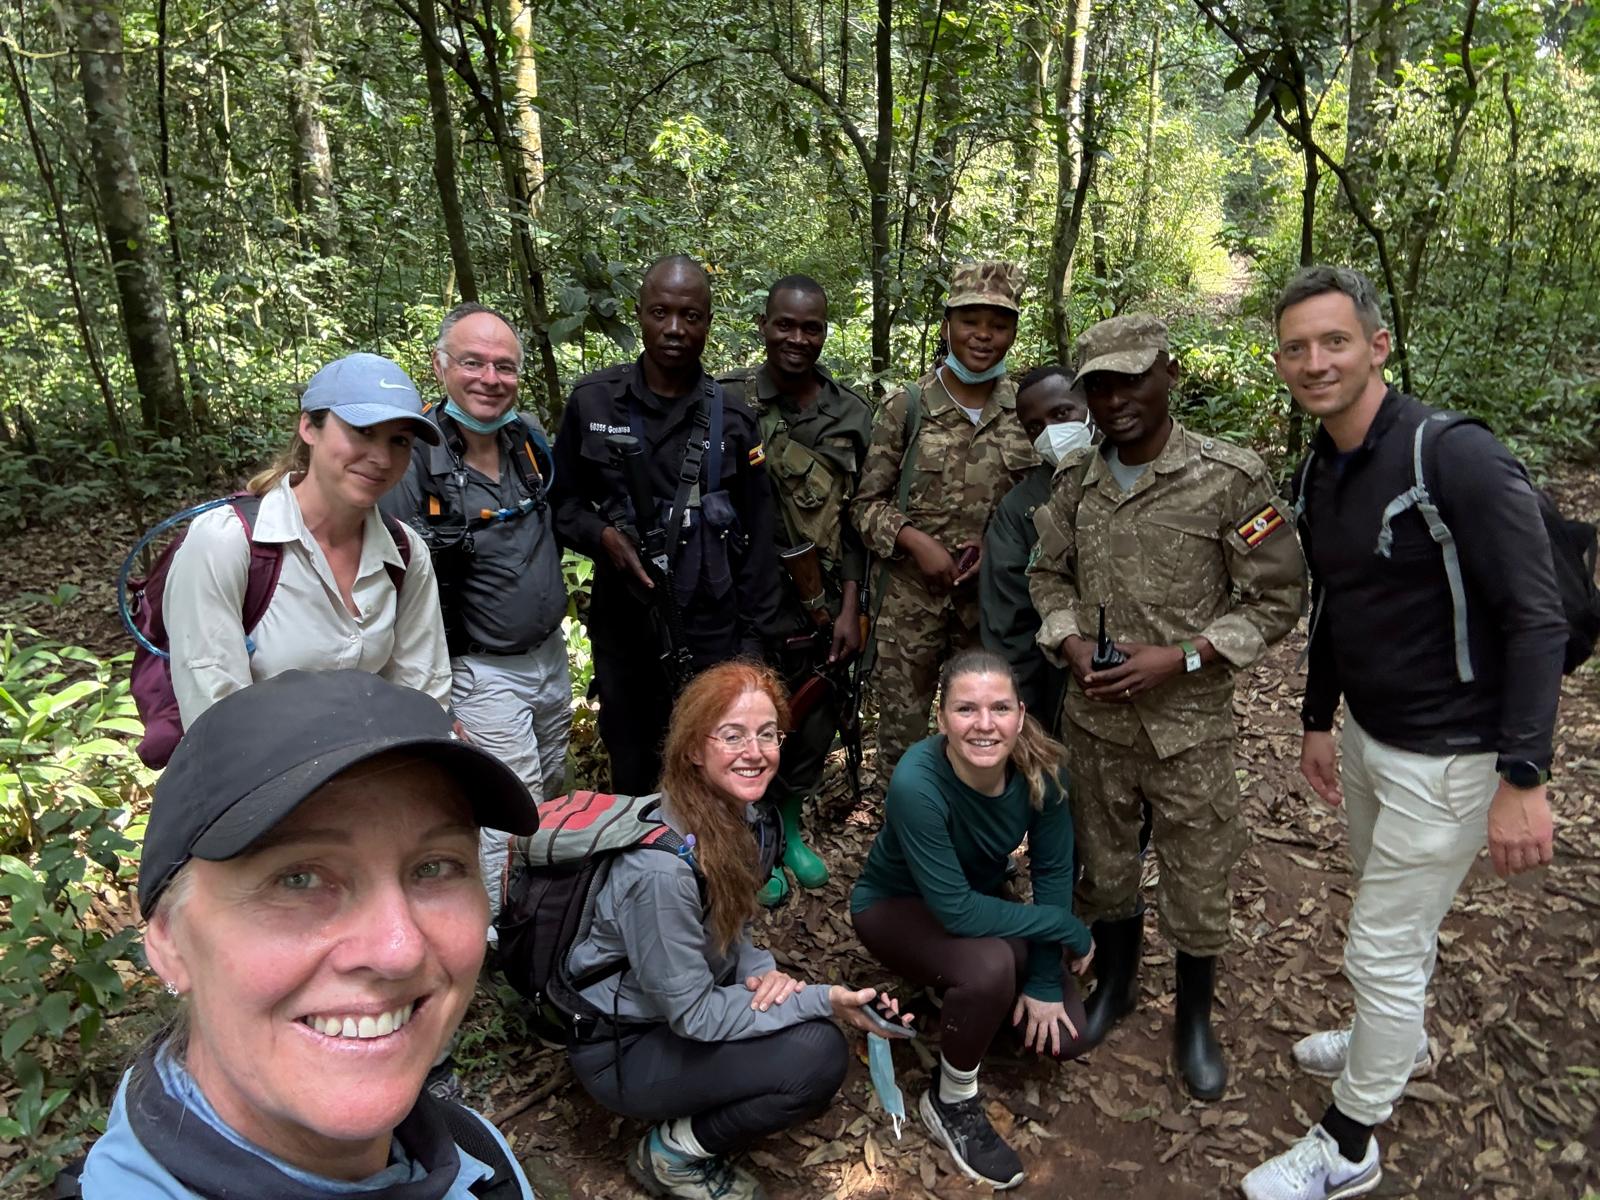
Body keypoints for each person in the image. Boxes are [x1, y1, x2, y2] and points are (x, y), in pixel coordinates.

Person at [1239, 267, 1564, 1200]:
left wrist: (1525, 776)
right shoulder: (1322, 462)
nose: (1315, 362)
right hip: (1374, 737)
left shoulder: (1451, 456)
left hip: (1454, 755)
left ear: (1376, 344)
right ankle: (1402, 1037)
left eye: (1334, 341)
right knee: (1388, 915)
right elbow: (1340, 599)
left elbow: (1536, 619)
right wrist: (1314, 717)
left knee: (1377, 947)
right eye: (1296, 348)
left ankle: (1349, 1141)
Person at [79, 669, 540, 1198]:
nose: (399, 950)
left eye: (435, 868)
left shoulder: (474, 1153)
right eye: (297, 879)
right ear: (167, 938)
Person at [1027, 314, 1305, 1100]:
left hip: (1190, 727)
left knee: (1197, 873)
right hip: (1096, 721)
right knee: (1107, 866)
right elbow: (1047, 577)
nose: (1116, 400)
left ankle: (1194, 1018)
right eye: (1099, 386)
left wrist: (1181, 656)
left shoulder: (1229, 477)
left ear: (1170, 374)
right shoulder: (1075, 481)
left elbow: (1278, 597)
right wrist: (1073, 643)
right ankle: (1115, 986)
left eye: (1132, 378)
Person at [563, 661, 903, 1200]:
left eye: (768, 734)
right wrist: (820, 999)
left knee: (809, 1039)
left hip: (669, 1010)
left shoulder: (728, 815)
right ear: (695, 749)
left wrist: (762, 974)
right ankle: (670, 1155)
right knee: (816, 1057)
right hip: (622, 1046)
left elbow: (728, 932)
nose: (756, 751)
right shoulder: (660, 871)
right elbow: (694, 1014)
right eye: (733, 735)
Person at [851, 648, 1094, 1192]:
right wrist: (1067, 931)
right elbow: (955, 909)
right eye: (965, 710)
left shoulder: (1043, 769)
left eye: (999, 709)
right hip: (897, 908)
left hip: (975, 903)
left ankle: (953, 996)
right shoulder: (918, 782)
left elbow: (1053, 871)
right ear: (941, 719)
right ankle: (951, 1099)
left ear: (1020, 714)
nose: (984, 725)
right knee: (988, 967)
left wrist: (1042, 979)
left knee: (1065, 1036)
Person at [550, 255, 782, 793]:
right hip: (625, 630)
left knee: (711, 772)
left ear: (707, 321)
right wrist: (603, 537)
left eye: (690, 316)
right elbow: (562, 506)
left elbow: (759, 544)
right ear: (640, 314)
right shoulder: (593, 402)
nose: (675, 329)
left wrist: (751, 652)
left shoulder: (734, 419)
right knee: (633, 764)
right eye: (661, 312)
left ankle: (708, 872)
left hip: (708, 630)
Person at [382, 303, 571, 920]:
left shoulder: (529, 442)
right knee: (510, 803)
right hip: (480, 667)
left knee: (551, 776)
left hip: (549, 656)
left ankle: (542, 908)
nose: (490, 378)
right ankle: (499, 934)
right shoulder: (416, 461)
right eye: (472, 362)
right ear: (441, 367)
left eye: (504, 366)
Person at [165, 353, 452, 727]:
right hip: (257, 775)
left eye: (399, 440)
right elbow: (214, 714)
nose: (381, 458)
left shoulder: (404, 552)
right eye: (363, 431)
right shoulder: (227, 542)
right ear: (308, 428)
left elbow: (422, 687)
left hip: (371, 770)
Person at [718, 275, 873, 905]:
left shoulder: (852, 414)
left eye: (812, 328)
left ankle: (789, 828)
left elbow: (865, 517)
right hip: (746, 599)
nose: (797, 339)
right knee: (747, 721)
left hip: (824, 603)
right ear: (764, 323)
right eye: (786, 324)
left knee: (812, 723)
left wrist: (852, 607)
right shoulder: (725, 399)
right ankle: (749, 841)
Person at [852, 260, 1038, 785]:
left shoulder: (1026, 410)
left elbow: (1044, 507)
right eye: (970, 321)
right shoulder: (905, 407)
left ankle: (973, 840)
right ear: (947, 325)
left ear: (1014, 332)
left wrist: (996, 547)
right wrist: (915, 542)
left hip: (989, 607)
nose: (984, 336)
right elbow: (864, 506)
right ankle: (909, 846)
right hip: (908, 608)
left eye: (998, 325)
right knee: (904, 738)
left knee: (983, 732)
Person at [979, 365, 1091, 725]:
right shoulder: (1020, 509)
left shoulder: (1143, 478)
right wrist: (1027, 721)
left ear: (1089, 403)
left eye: (1062, 414)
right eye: (1035, 428)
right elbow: (1010, 629)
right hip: (1065, 700)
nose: (1051, 433)